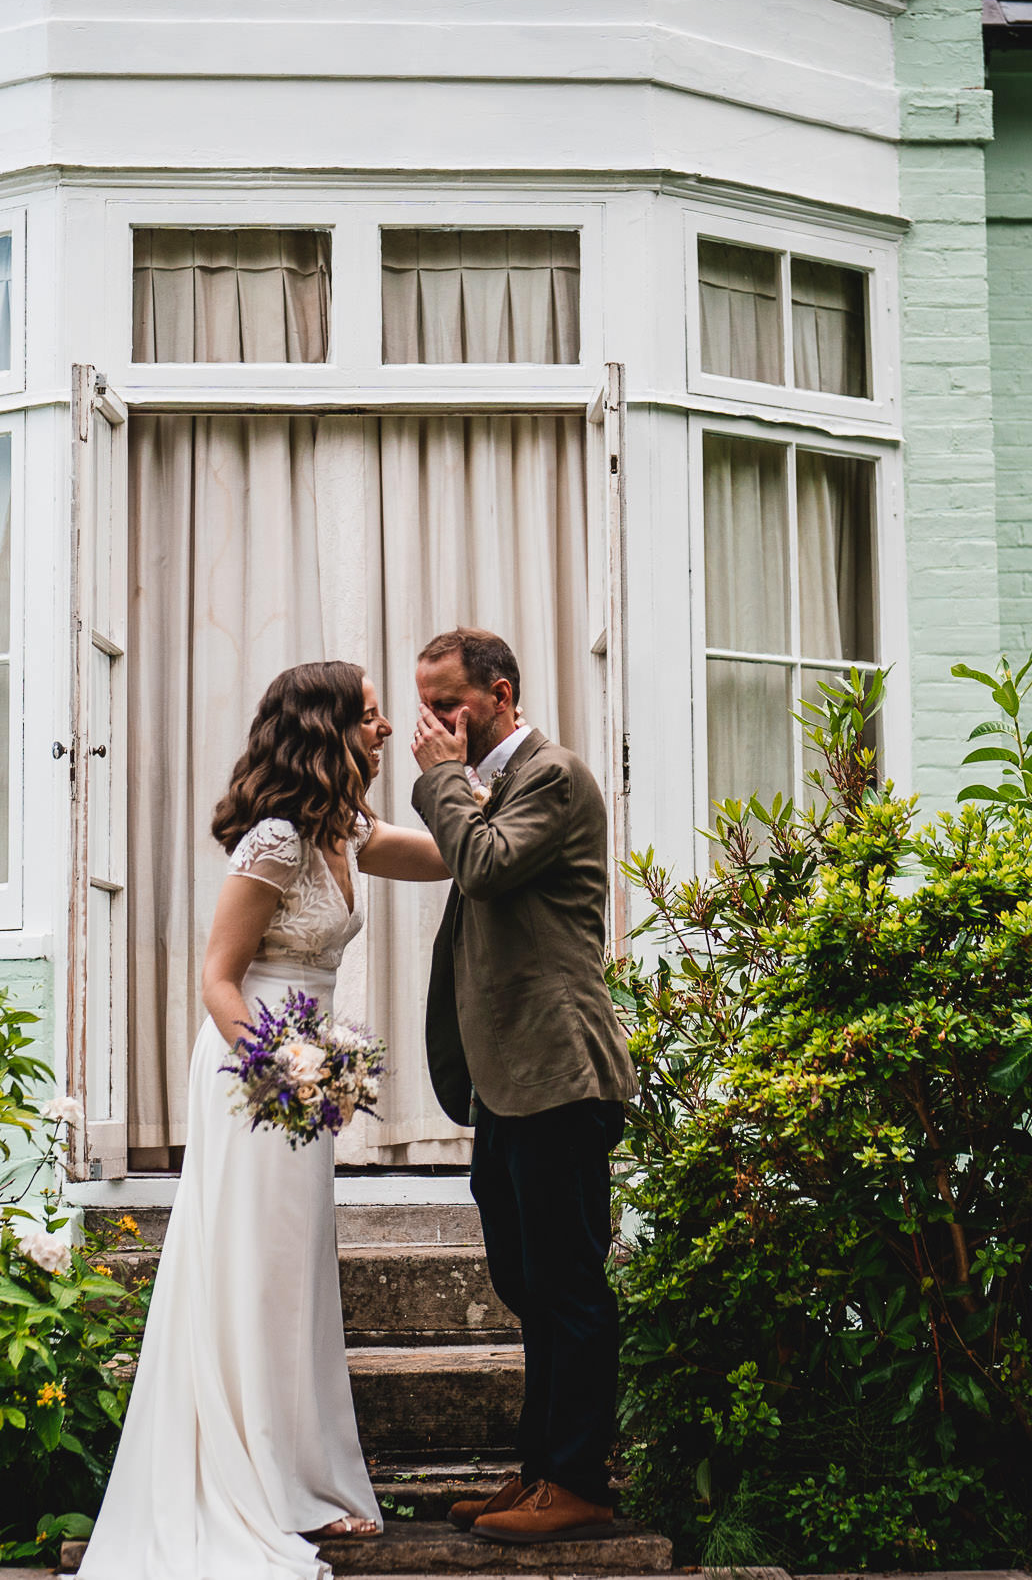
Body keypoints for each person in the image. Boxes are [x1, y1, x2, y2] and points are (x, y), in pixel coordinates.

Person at [81, 661, 450, 1580]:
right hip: (256, 1073)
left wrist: (467, 773)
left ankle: (300, 1478)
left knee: (293, 1273)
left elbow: (453, 853)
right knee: (252, 1268)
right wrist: (283, 1067)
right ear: (326, 730)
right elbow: (217, 978)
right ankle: (257, 1487)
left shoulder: (346, 830)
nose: (387, 730)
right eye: (371, 718)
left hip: (304, 1075)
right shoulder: (277, 842)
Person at [408, 627, 639, 1545]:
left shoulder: (552, 774)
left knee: (571, 1284)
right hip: (508, 1082)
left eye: (448, 702)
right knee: (528, 1279)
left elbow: (485, 863)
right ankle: (543, 1466)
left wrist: (438, 782)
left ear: (499, 693)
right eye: (426, 704)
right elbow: (461, 854)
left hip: (560, 1072)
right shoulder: (489, 786)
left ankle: (580, 1480)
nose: (433, 722)